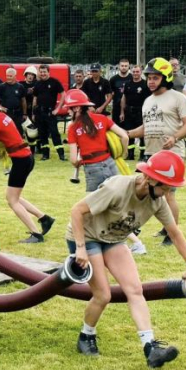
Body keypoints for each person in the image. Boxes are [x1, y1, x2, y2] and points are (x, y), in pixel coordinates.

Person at [68, 150, 186, 368]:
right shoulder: (117, 188)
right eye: (165, 186)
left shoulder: (157, 201)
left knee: (135, 290)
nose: (168, 191)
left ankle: (151, 349)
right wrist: (80, 248)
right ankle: (86, 336)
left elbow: (174, 233)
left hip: (113, 240)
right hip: (87, 237)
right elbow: (77, 210)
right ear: (149, 179)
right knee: (103, 295)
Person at [65, 89, 144, 254]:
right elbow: (124, 136)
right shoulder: (102, 119)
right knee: (115, 205)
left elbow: (73, 159)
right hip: (110, 163)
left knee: (90, 209)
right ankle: (132, 241)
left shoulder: (73, 128)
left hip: (93, 169)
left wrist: (78, 162)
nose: (69, 111)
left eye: (71, 108)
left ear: (77, 108)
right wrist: (121, 153)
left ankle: (132, 243)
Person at [125, 57, 186, 246]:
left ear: (166, 78)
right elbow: (145, 128)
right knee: (141, 190)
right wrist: (125, 134)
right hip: (150, 153)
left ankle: (173, 234)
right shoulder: (147, 101)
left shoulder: (178, 98)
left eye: (155, 78)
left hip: (172, 154)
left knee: (168, 194)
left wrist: (175, 138)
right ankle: (148, 226)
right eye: (149, 78)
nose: (151, 81)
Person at [0, 89, 55, 244]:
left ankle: (36, 234)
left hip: (20, 160)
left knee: (12, 200)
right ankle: (44, 218)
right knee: (15, 197)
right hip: (26, 157)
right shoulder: (2, 116)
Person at [33, 64, 66, 161]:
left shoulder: (54, 82)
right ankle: (45, 155)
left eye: (44, 72)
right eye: (41, 72)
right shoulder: (37, 84)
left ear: (48, 72)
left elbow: (63, 94)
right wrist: (34, 113)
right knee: (42, 134)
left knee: (54, 133)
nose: (43, 74)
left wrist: (58, 109)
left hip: (50, 112)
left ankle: (61, 155)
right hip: (40, 112)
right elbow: (35, 98)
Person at [120, 65, 150, 160]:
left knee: (142, 133)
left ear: (141, 72)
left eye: (137, 72)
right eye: (134, 72)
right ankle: (130, 154)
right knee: (129, 132)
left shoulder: (145, 84)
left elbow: (149, 99)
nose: (135, 74)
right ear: (131, 72)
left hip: (141, 111)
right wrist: (122, 112)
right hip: (129, 111)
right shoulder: (128, 84)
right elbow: (124, 98)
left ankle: (143, 154)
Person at [0, 68, 28, 138]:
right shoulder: (1, 86)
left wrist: (24, 113)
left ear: (15, 76)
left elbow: (23, 100)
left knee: (19, 132)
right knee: (6, 132)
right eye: (7, 76)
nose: (8, 78)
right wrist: (0, 107)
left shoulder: (20, 87)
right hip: (6, 113)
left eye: (10, 76)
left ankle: (19, 147)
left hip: (18, 113)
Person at [109, 59, 131, 123]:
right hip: (116, 108)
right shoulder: (113, 79)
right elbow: (110, 94)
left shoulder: (132, 78)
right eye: (122, 66)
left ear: (128, 67)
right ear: (119, 66)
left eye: (126, 66)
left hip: (129, 108)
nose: (124, 67)